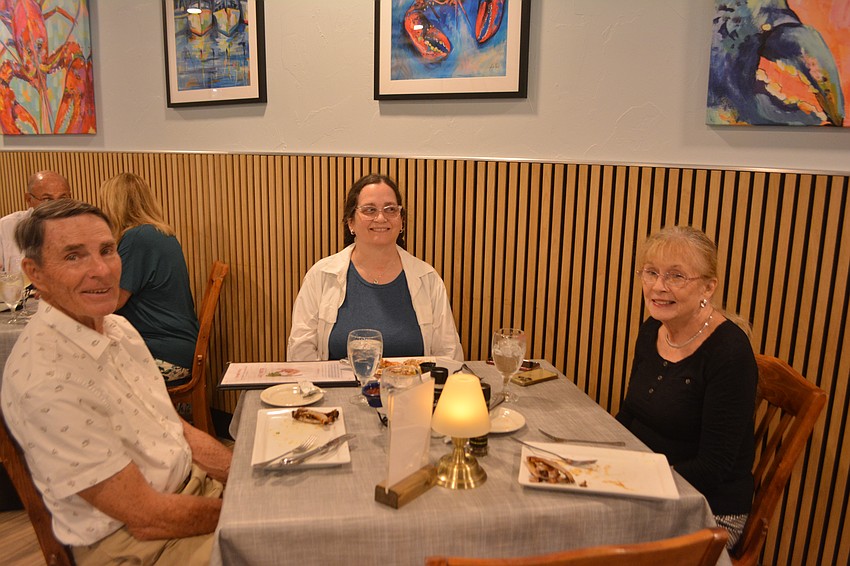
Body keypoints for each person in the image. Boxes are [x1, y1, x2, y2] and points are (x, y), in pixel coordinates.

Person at [1, 199, 232, 565]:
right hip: (138, 544)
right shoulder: (45, 380)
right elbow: (147, 517)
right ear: (35, 273)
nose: (101, 270)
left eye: (107, 250)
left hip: (192, 493)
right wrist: (244, 515)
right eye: (74, 256)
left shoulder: (118, 328)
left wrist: (245, 481)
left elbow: (177, 430)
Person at [615, 226, 757, 549]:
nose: (658, 286)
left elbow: (712, 468)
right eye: (651, 272)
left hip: (707, 508)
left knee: (588, 537)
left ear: (708, 287)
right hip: (649, 486)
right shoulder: (653, 329)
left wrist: (634, 482)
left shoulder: (730, 353)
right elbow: (629, 415)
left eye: (676, 276)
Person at [287, 173, 463, 361]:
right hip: (333, 382)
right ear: (351, 222)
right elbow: (300, 353)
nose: (381, 218)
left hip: (413, 381)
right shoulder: (321, 275)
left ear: (401, 221)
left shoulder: (427, 278)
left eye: (390, 209)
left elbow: (449, 355)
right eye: (370, 210)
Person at [99, 173, 199, 385]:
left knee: (84, 366)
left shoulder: (137, 238)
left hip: (164, 352)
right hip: (179, 344)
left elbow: (113, 302)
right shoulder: (159, 232)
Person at [0, 170, 71, 271]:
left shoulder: (81, 227)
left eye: (62, 198)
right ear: (29, 199)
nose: (56, 206)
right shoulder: (6, 226)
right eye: (47, 199)